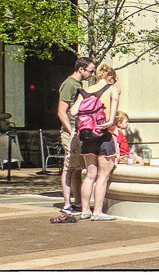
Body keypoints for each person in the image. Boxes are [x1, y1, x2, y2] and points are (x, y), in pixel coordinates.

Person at [70, 64, 120, 221]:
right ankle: (97, 211)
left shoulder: (85, 91)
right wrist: (108, 121)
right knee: (103, 176)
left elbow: (73, 111)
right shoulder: (113, 89)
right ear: (110, 77)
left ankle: (85, 210)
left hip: (87, 136)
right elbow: (111, 118)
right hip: (104, 135)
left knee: (90, 175)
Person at [57, 57, 96, 215]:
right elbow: (61, 111)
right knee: (69, 167)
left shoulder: (78, 85)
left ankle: (78, 202)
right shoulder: (69, 84)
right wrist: (70, 130)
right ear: (81, 69)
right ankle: (67, 203)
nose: (92, 74)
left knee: (77, 167)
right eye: (90, 71)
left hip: (78, 130)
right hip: (71, 132)